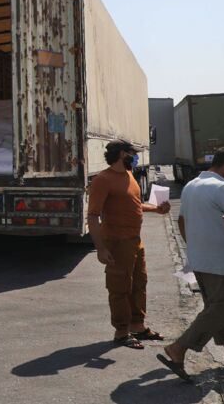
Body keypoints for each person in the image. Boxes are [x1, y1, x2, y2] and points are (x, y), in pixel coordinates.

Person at [156, 148, 224, 382]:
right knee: (221, 307)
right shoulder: (223, 187)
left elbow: (181, 220)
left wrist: (193, 248)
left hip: (199, 259)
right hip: (219, 260)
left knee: (216, 308)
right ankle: (179, 348)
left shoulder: (192, 184)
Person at [87, 140, 171, 349]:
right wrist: (101, 249)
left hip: (135, 240)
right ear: (122, 154)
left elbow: (134, 204)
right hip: (117, 242)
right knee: (119, 287)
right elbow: (93, 216)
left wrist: (156, 209)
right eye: (133, 154)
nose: (135, 158)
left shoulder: (129, 175)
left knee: (139, 283)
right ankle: (121, 332)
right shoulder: (103, 180)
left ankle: (138, 326)